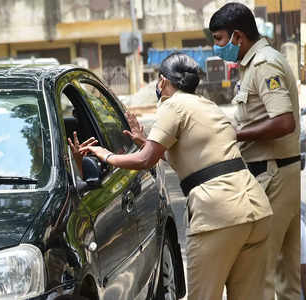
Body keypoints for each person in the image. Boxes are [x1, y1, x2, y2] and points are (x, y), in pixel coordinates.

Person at [80, 53, 273, 300]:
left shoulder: (172, 105)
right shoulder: (207, 105)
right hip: (256, 208)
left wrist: (106, 156)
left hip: (219, 214)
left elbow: (145, 160)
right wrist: (145, 142)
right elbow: (194, 159)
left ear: (161, 82)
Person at [209, 3, 301, 300]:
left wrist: (237, 134)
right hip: (280, 172)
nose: (217, 46)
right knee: (288, 275)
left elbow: (283, 121)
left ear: (238, 36)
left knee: (261, 272)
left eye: (220, 39)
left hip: (272, 175)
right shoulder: (257, 63)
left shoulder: (263, 65)